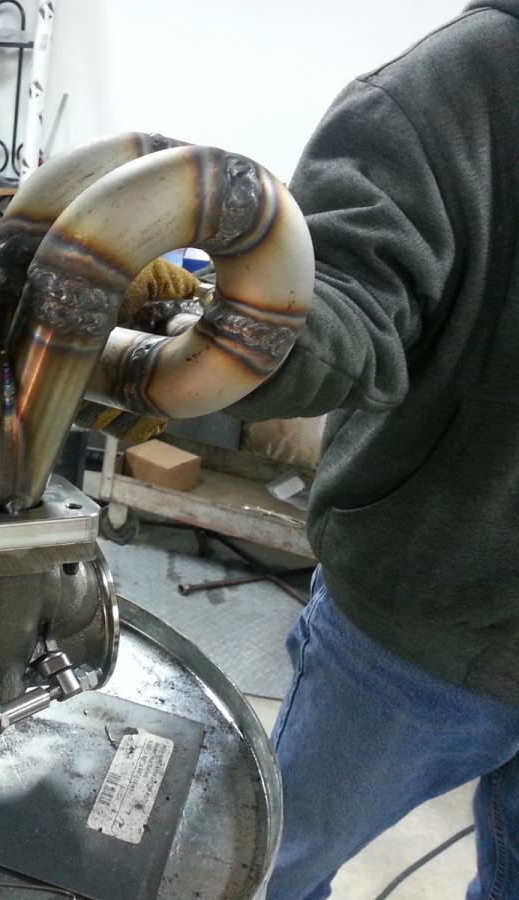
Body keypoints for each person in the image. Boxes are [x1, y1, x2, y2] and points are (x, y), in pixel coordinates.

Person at [225, 2, 519, 897]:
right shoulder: (457, 88)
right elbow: (342, 299)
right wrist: (236, 332)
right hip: (414, 629)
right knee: (268, 868)